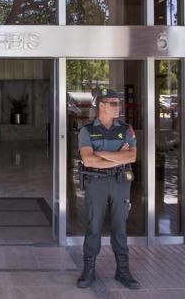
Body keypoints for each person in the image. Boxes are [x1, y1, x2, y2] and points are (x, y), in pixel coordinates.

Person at [76, 88, 140, 290]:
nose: (118, 107)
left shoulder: (126, 129)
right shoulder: (87, 131)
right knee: (93, 226)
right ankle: (89, 270)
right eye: (113, 103)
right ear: (101, 106)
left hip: (120, 182)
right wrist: (115, 156)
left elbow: (131, 157)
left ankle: (123, 270)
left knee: (120, 226)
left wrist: (101, 154)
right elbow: (87, 159)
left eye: (118, 103)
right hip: (96, 182)